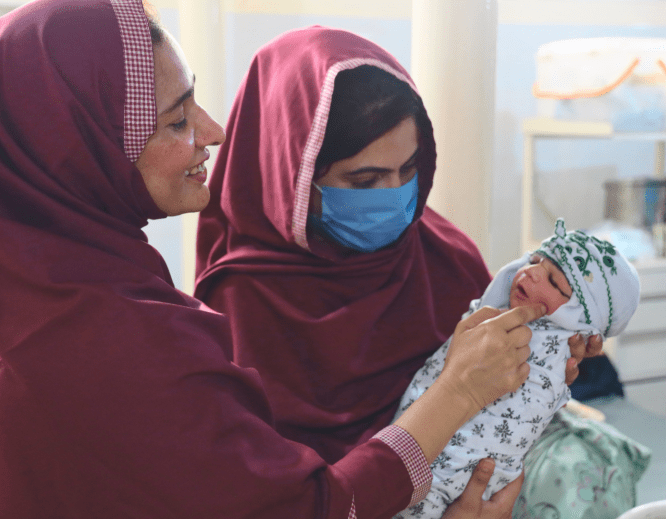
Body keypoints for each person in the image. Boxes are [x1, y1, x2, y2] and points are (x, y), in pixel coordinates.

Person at [0, 1, 544, 518]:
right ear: (79, 143)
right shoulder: (125, 339)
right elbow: (305, 508)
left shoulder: (56, 283)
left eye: (407, 170)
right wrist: (457, 392)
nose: (212, 131)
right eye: (175, 120)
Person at [194, 25, 602, 513]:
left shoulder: (443, 256)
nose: (393, 198)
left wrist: (543, 362)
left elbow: (496, 407)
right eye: (364, 181)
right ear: (293, 176)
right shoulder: (240, 302)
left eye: (408, 171)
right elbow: (278, 496)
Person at [393, 219, 640, 518]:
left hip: (464, 470)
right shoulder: (494, 314)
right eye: (535, 261)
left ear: (578, 315)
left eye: (554, 281)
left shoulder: (553, 348)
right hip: (411, 443)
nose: (532, 272)